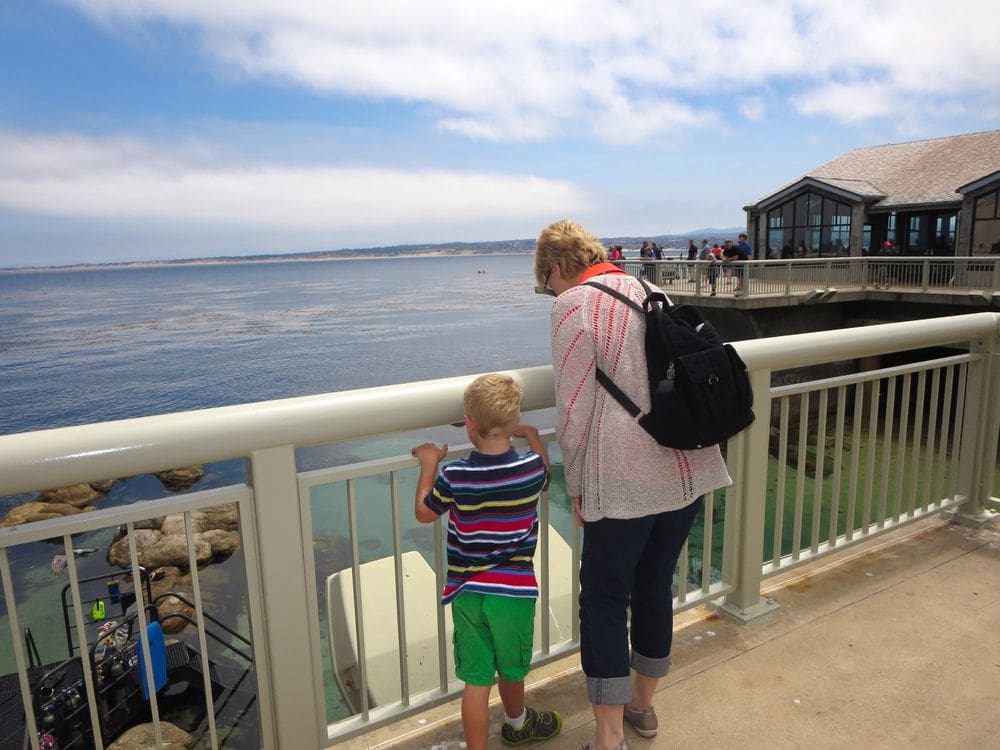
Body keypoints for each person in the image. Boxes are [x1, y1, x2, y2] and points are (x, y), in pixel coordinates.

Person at [533, 220, 731, 750]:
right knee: (653, 586)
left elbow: (573, 409)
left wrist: (575, 484)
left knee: (602, 597)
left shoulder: (572, 305)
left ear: (555, 267)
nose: (548, 291)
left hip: (624, 478)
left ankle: (606, 736)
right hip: (685, 466)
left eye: (544, 281)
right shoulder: (649, 287)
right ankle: (642, 708)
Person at [411, 373, 562, 750]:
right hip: (513, 593)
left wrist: (429, 463)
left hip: (467, 593)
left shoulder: (457, 475)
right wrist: (532, 438)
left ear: (469, 424)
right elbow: (546, 471)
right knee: (511, 668)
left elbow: (424, 513)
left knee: (477, 681)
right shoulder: (530, 471)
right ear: (512, 423)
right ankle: (517, 723)